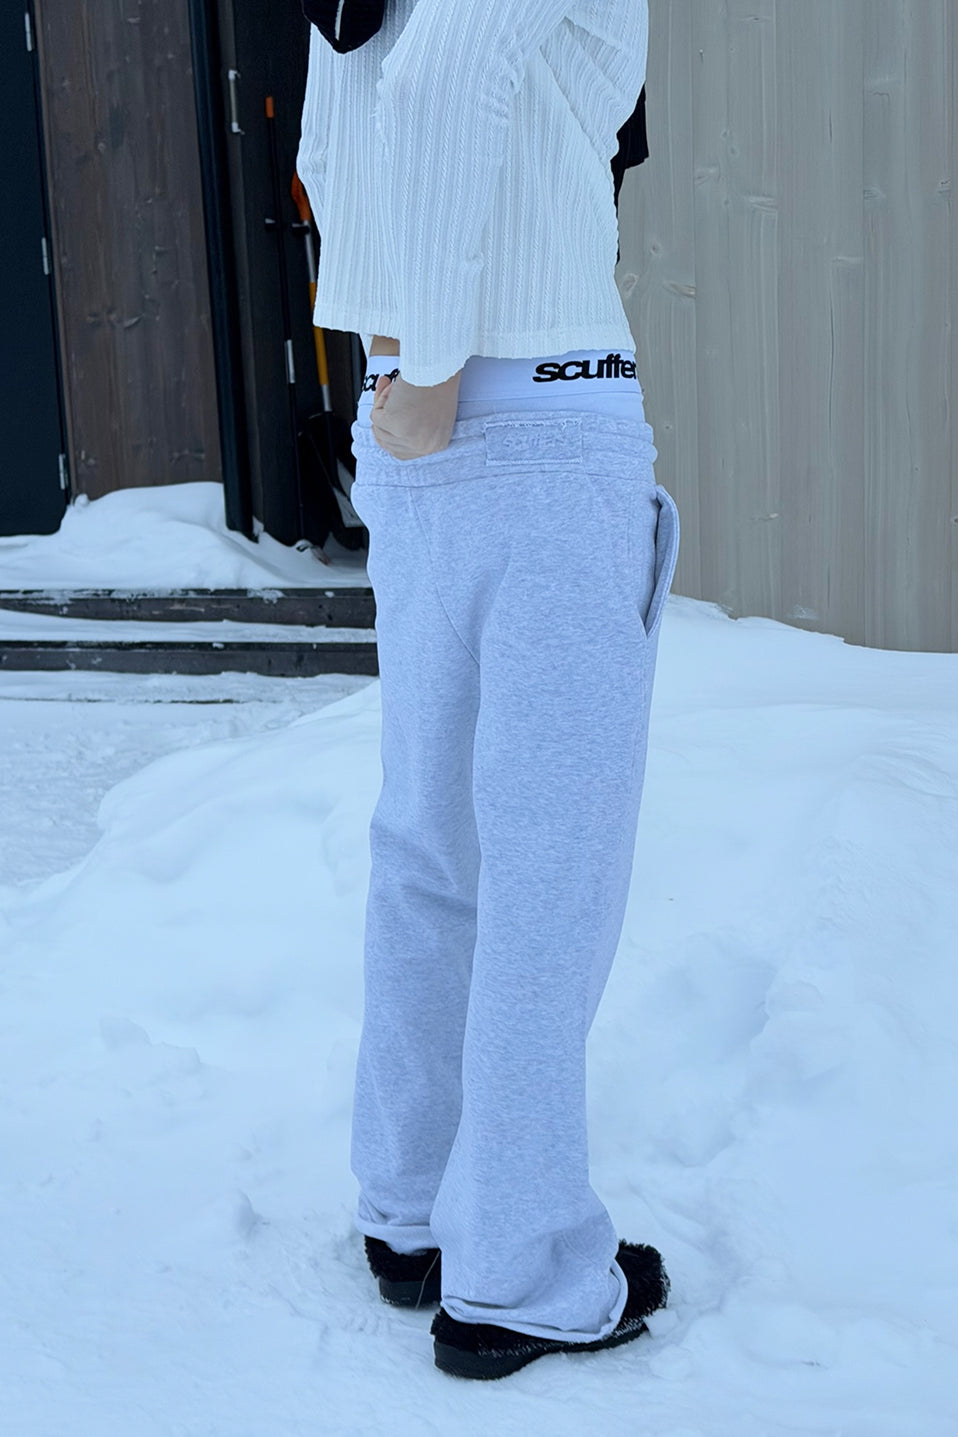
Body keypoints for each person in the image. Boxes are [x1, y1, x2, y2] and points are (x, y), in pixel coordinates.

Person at [297, 0, 679, 1381]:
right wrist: (438, 361)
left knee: (431, 844)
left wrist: (406, 361)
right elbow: (441, 82)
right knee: (546, 868)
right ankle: (518, 1268)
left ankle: (410, 1206)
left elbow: (344, 119)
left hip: (421, 436)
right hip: (539, 424)